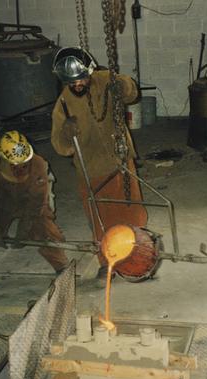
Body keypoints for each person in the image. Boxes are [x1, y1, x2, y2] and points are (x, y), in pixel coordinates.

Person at [50, 46, 147, 242]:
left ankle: (140, 252)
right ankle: (106, 259)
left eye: (81, 79)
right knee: (103, 220)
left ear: (90, 72)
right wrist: (66, 133)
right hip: (92, 169)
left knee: (132, 213)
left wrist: (122, 86)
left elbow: (132, 93)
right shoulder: (63, 104)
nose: (77, 85)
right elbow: (60, 147)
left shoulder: (105, 79)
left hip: (121, 159)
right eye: (72, 82)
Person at [0, 131, 69, 273]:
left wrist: (24, 229)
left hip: (29, 198)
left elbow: (37, 204)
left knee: (44, 225)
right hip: (3, 198)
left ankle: (60, 264)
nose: (20, 169)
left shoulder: (38, 164)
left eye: (24, 164)